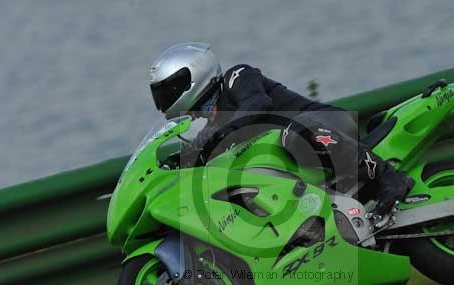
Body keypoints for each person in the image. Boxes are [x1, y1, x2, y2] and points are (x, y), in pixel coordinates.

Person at [148, 43, 414, 217]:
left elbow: (257, 104)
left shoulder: (236, 77)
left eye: (168, 90)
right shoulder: (215, 128)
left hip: (327, 124)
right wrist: (181, 161)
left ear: (191, 75)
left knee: (291, 133)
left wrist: (216, 134)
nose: (165, 99)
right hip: (304, 161)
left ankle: (389, 176)